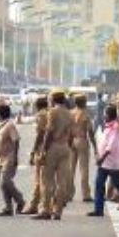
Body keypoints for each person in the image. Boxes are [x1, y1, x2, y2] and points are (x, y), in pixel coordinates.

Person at [35, 91, 73, 220]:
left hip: (53, 147)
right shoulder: (69, 113)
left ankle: (46, 209)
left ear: (54, 100)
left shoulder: (52, 112)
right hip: (65, 147)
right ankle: (58, 211)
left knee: (46, 180)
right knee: (61, 182)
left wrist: (43, 150)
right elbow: (71, 134)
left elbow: (48, 132)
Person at [0, 103, 25, 216]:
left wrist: (15, 157)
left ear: (0, 114)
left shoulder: (10, 125)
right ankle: (8, 207)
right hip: (0, 159)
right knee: (3, 185)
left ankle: (20, 200)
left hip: (9, 159)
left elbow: (16, 140)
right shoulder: (1, 126)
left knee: (5, 181)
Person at [70, 94, 97, 203]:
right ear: (84, 103)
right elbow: (90, 131)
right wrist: (95, 146)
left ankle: (68, 193)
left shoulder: (70, 113)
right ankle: (85, 194)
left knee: (70, 169)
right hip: (82, 140)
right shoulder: (85, 114)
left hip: (71, 140)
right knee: (83, 169)